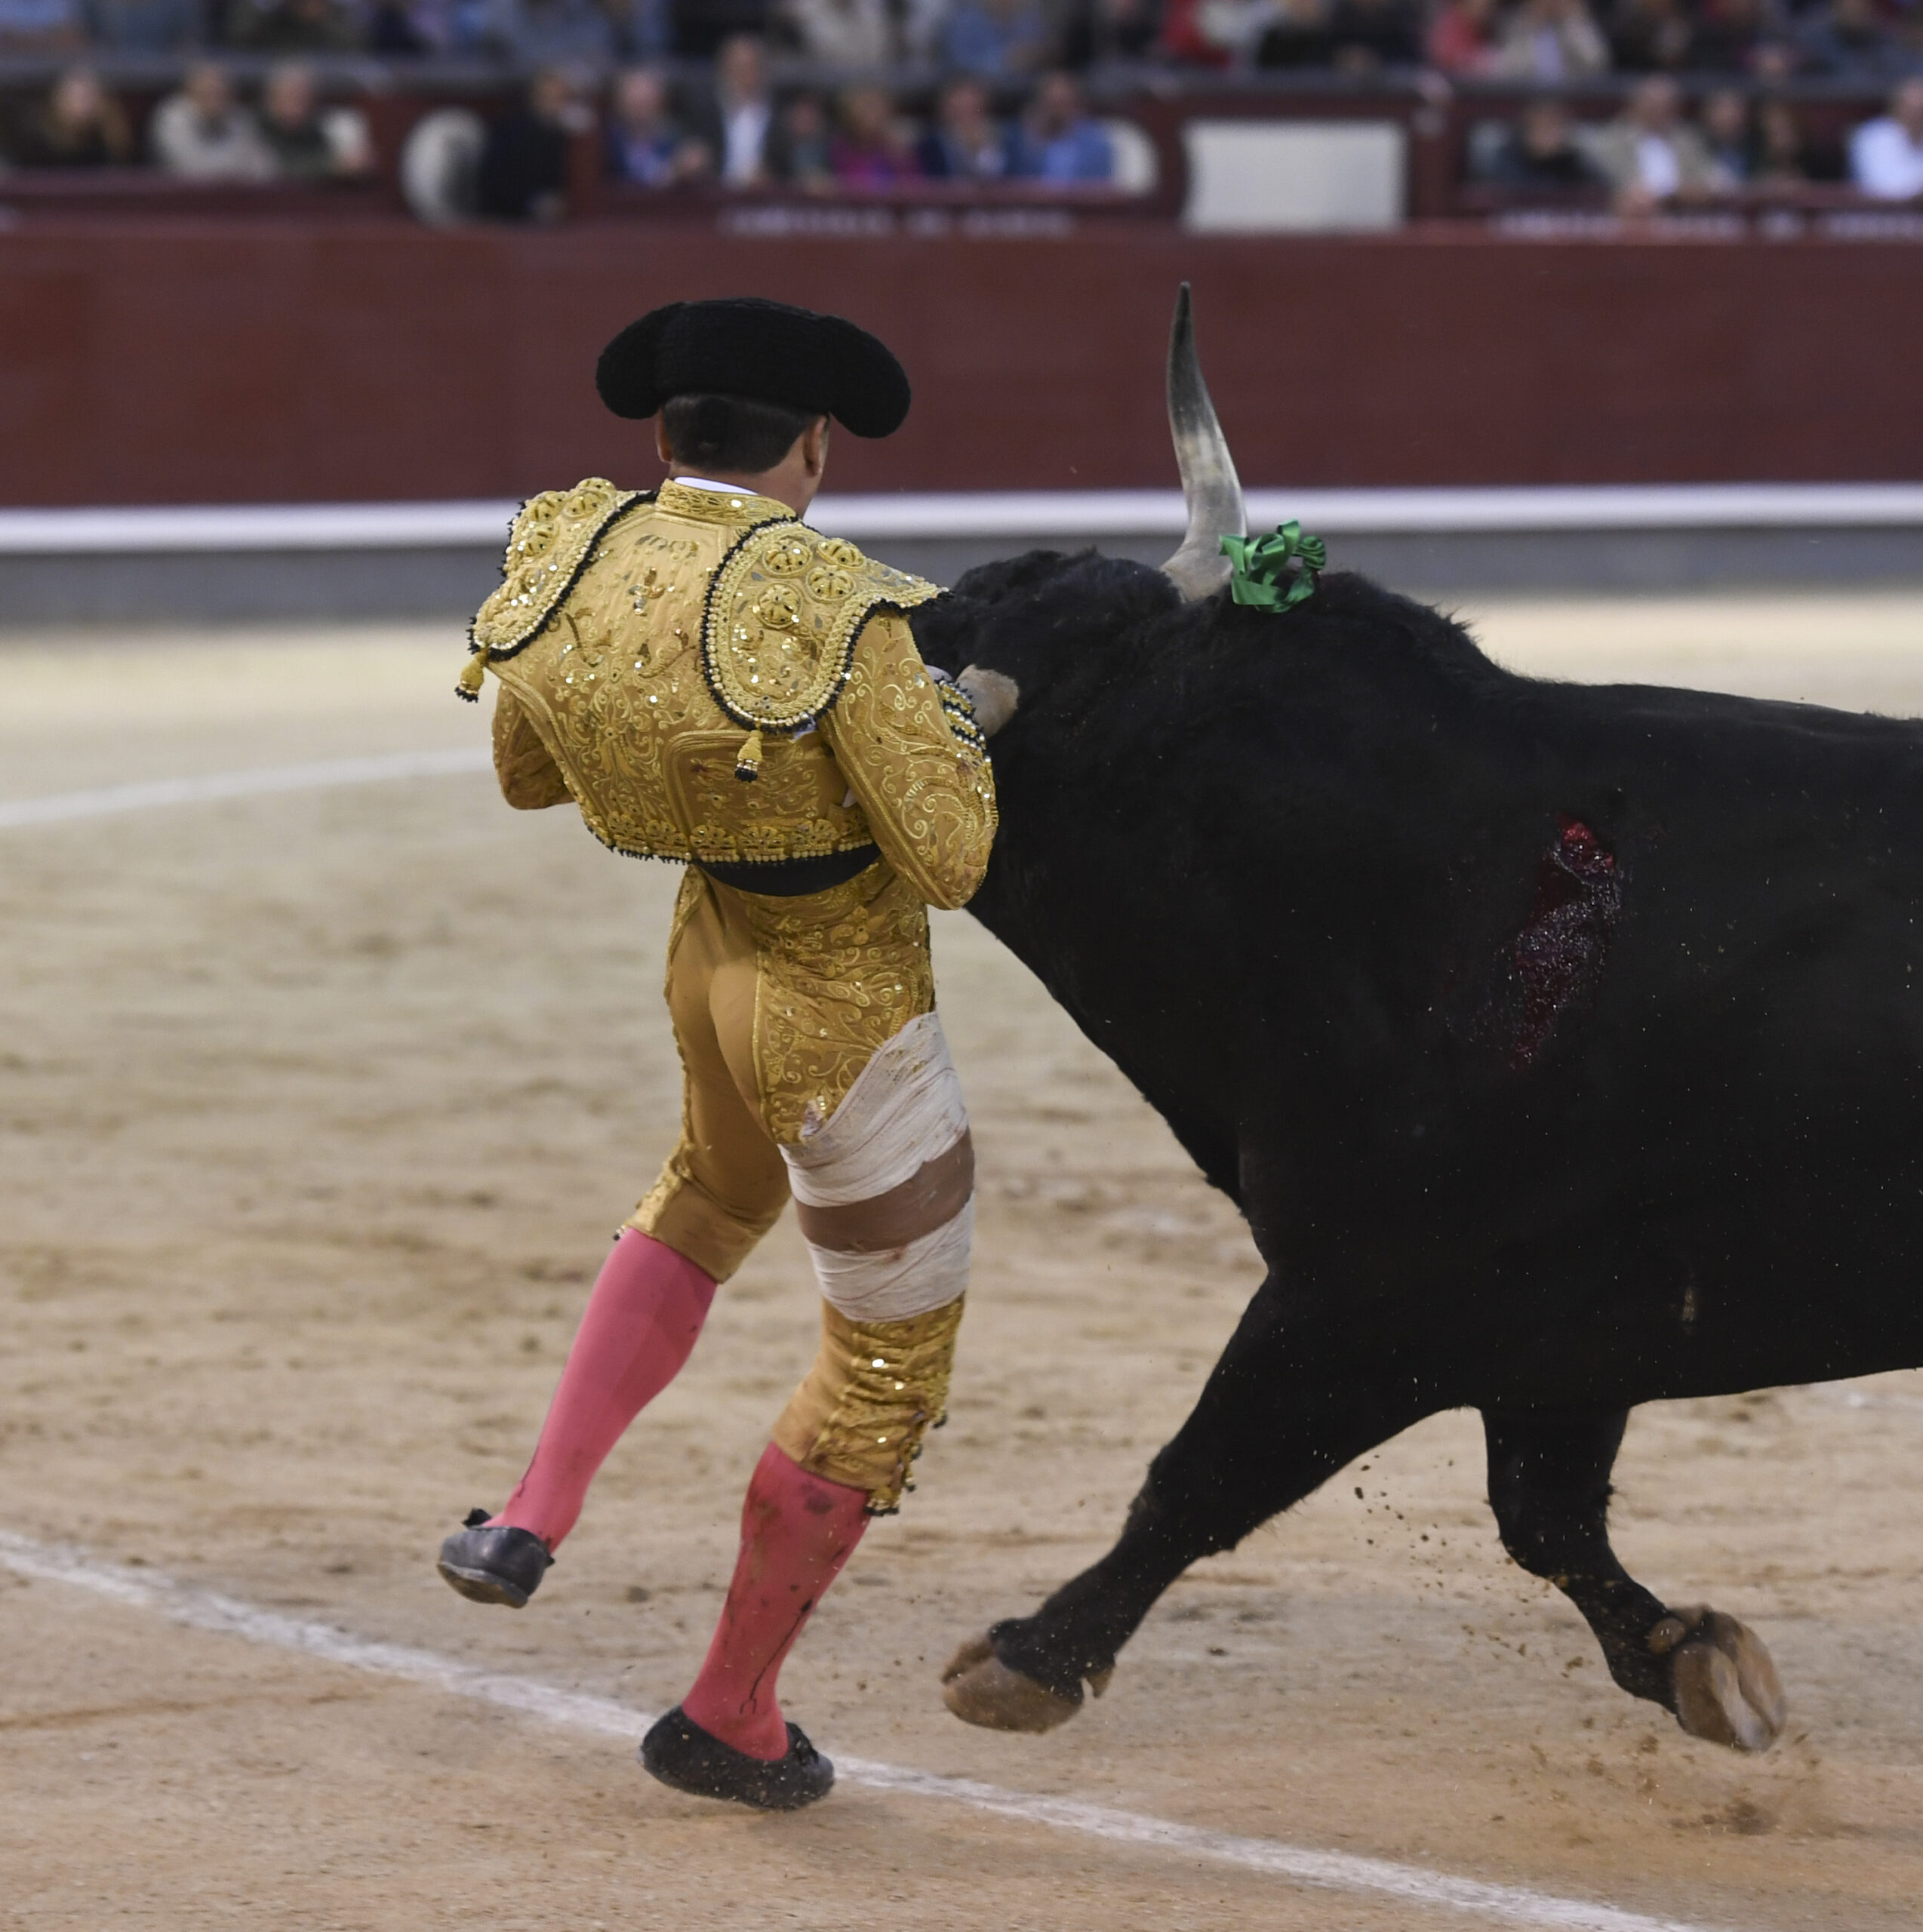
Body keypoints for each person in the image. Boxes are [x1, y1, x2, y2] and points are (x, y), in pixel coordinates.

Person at [438, 297, 997, 1813]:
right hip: (843, 1008)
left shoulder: (578, 548)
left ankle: (531, 1513)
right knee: (883, 1363)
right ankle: (728, 1711)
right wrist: (965, 722)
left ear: (659, 434)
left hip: (706, 957)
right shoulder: (837, 600)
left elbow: (526, 773)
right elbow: (949, 855)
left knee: (706, 1193)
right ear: (812, 443)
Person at [1589, 72, 1713, 206]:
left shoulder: (1688, 140)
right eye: (1653, 105)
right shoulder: (1612, 140)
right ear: (1635, 104)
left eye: (1668, 105)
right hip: (1628, 211)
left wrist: (1700, 187)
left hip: (1683, 209)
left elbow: (1716, 178)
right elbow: (1606, 179)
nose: (1660, 111)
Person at [476, 66, 579, 219]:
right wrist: (533, 203)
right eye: (548, 97)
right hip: (509, 219)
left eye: (561, 98)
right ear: (534, 97)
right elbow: (494, 184)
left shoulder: (565, 136)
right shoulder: (510, 131)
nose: (555, 105)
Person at [149, 60, 275, 178]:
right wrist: (237, 168)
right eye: (207, 93)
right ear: (190, 92)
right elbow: (191, 168)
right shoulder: (172, 118)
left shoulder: (240, 119)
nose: (215, 100)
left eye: (221, 93)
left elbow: (265, 168)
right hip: (180, 192)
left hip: (233, 193)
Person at [257, 60, 373, 177]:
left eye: (302, 95)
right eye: (289, 95)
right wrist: (332, 166)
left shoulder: (328, 130)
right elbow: (271, 171)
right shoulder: (255, 132)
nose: (297, 103)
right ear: (271, 99)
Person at [689, 32, 775, 185]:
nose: (745, 76)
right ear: (723, 70)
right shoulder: (703, 113)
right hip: (715, 193)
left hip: (764, 195)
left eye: (752, 67)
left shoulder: (779, 116)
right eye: (738, 68)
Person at [605, 63, 710, 183]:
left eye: (648, 103)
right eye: (635, 104)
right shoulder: (605, 143)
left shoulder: (677, 139)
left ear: (662, 104)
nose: (641, 112)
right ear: (618, 104)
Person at [10, 63, 132, 166]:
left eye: (90, 97)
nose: (85, 105)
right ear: (58, 99)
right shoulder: (35, 145)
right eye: (77, 97)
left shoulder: (106, 143)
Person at [1005, 69, 1112, 178]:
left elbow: (1097, 182)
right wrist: (1035, 140)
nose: (1058, 110)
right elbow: (1016, 178)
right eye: (1052, 103)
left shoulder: (1095, 143)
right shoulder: (1019, 137)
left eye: (1063, 102)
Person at [1485, 95, 1601, 186]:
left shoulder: (1575, 163)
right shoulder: (1506, 160)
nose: (1549, 133)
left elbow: (1597, 193)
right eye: (1542, 126)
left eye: (1555, 126)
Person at [1489, 0, 1609, 81]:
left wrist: (1572, 22)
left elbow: (1596, 62)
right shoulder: (1516, 25)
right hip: (1528, 101)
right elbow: (1506, 71)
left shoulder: (1575, 24)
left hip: (1571, 100)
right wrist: (1529, 29)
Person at [915, 74, 1008, 177]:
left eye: (971, 106)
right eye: (959, 108)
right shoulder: (930, 144)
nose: (966, 112)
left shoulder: (1004, 137)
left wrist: (981, 149)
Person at [1851, 76, 1923, 198]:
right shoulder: (1872, 136)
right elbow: (1885, 187)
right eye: (1913, 108)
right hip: (1875, 209)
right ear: (1896, 106)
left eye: (1921, 108)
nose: (1918, 114)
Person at [829, 83, 915, 183]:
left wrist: (900, 158)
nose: (873, 117)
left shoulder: (899, 149)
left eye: (877, 109)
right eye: (866, 110)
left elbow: (913, 185)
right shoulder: (838, 150)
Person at [941, 0, 1052, 75]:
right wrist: (1005, 61)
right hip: (981, 87)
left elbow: (1044, 53)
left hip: (1028, 87)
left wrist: (1036, 55)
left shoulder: (1030, 20)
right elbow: (959, 64)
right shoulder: (966, 22)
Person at [778, 0, 893, 64]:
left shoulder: (871, 10)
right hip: (821, 84)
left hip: (871, 81)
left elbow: (881, 52)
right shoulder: (803, 11)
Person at [82, 0, 197, 51]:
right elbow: (83, 45)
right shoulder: (97, 5)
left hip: (169, 81)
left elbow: (189, 46)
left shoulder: (180, 4)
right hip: (105, 80)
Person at [0, 0, 81, 51]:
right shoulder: (5, 3)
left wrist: (20, 40)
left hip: (54, 63)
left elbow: (71, 36)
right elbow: (4, 38)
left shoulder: (61, 3)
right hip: (10, 65)